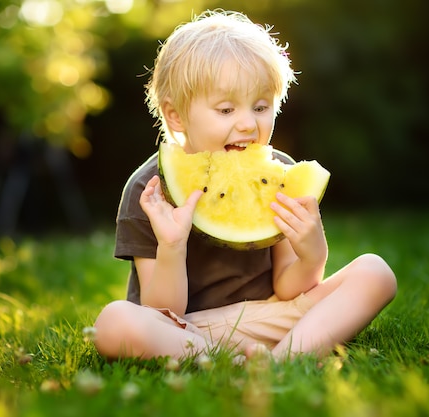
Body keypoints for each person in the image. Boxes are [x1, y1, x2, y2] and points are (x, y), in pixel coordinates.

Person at [93, 10, 397, 361]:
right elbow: (163, 310)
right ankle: (235, 360)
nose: (248, 124)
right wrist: (172, 245)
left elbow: (287, 289)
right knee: (113, 322)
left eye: (260, 106)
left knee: (376, 272)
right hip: (186, 330)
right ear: (176, 115)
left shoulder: (281, 174)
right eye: (226, 110)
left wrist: (313, 254)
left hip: (267, 317)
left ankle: (279, 363)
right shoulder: (149, 190)